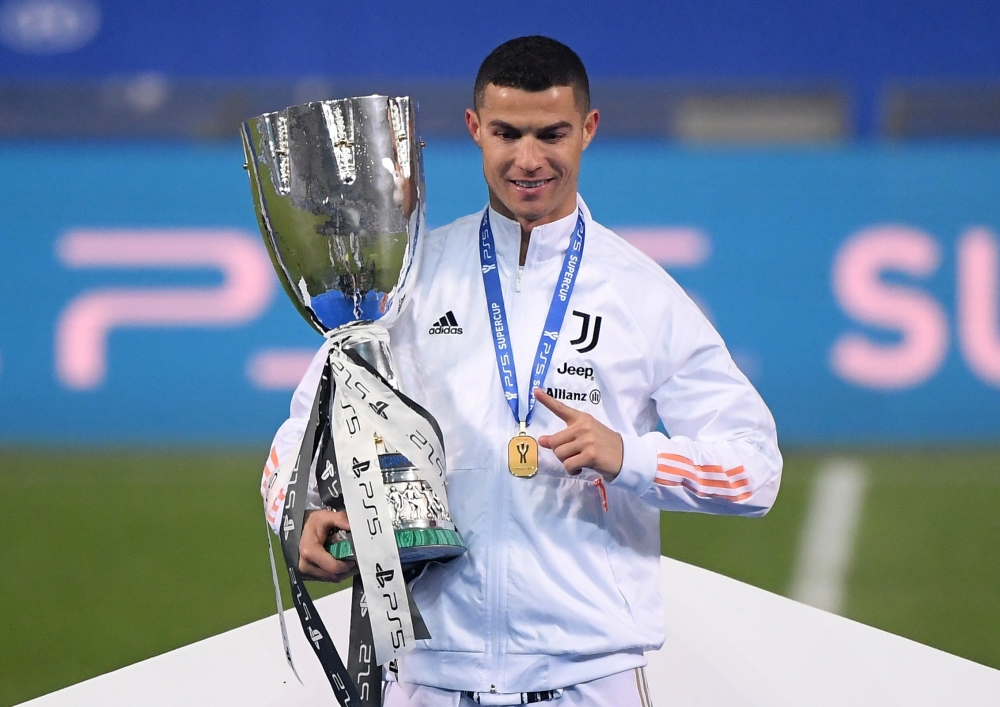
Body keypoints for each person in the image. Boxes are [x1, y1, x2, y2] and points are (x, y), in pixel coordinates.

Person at [264, 35, 781, 707]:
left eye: (552, 134)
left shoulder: (641, 293)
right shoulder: (411, 277)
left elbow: (756, 468)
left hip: (585, 675)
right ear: (475, 128)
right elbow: (300, 433)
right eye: (507, 133)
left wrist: (630, 457)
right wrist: (300, 511)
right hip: (430, 673)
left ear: (588, 131)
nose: (529, 159)